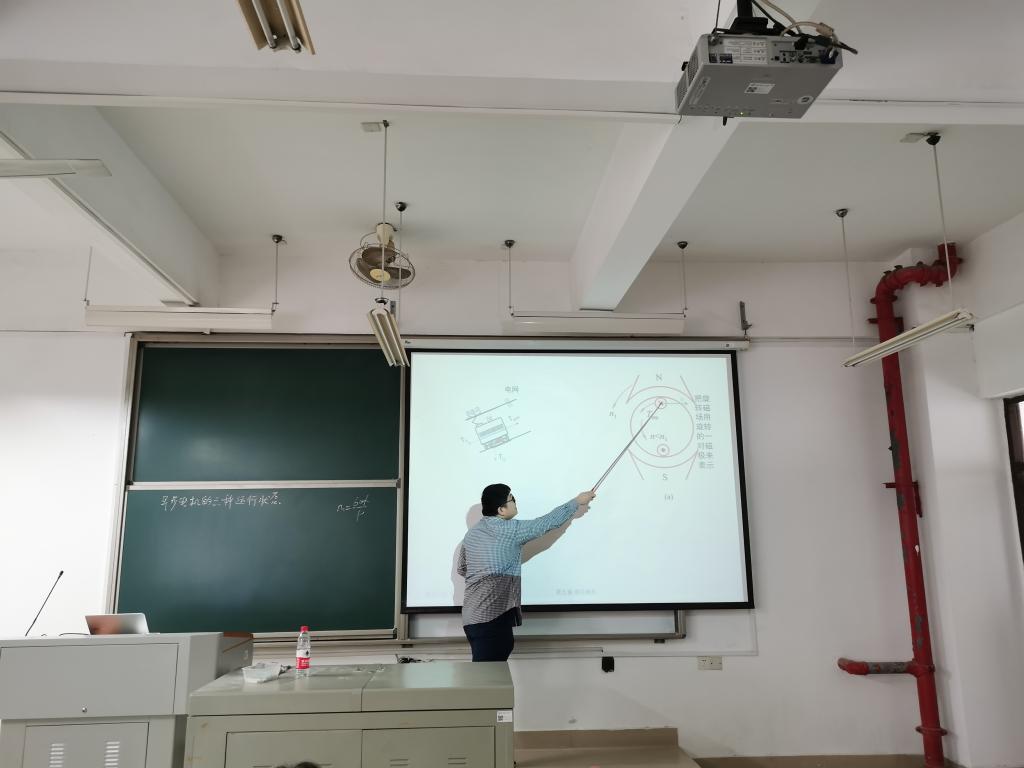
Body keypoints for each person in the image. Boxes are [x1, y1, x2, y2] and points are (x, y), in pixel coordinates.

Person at [457, 484, 596, 662]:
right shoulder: (510, 530)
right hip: (491, 618)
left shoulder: (472, 534)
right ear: (501, 509)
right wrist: (577, 501)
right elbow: (546, 523)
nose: (515, 502)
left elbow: (462, 568)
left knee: (489, 671)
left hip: (471, 618)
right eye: (511, 499)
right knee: (489, 676)